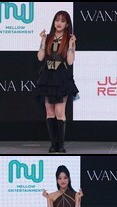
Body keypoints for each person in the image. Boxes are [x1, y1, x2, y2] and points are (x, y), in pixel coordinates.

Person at [36, 10, 79, 153]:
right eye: (57, 20)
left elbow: (70, 61)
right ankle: (53, 144)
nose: (59, 23)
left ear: (67, 24)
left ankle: (60, 144)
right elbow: (40, 57)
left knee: (60, 112)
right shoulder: (48, 37)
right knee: (49, 112)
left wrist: (71, 45)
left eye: (62, 21)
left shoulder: (69, 39)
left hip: (61, 77)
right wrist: (43, 40)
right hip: (48, 76)